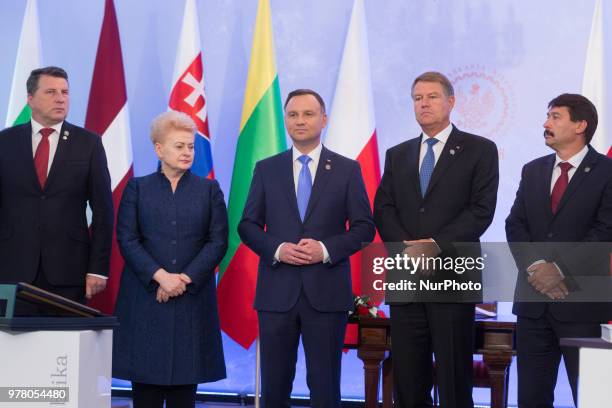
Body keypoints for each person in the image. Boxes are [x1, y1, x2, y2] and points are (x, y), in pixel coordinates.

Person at [238, 89, 375, 407]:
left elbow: (364, 228)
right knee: (274, 387)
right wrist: (278, 249)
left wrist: (325, 249)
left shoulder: (346, 169)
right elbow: (247, 226)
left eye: (308, 114)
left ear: (324, 119)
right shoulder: (266, 168)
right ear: (285, 120)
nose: (300, 120)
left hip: (326, 294)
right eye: (293, 114)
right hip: (276, 293)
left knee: (325, 387)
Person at [374, 71, 499, 407]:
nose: (424, 104)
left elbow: (481, 211)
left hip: (453, 277)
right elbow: (383, 208)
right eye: (417, 98)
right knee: (409, 380)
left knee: (455, 380)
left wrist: (434, 246)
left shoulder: (480, 150)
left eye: (431, 96)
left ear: (451, 102)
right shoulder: (397, 154)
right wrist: (407, 249)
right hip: (406, 278)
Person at [112, 111, 227, 408]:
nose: (187, 152)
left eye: (190, 146)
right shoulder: (138, 188)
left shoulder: (209, 190)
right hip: (146, 299)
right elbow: (127, 238)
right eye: (179, 146)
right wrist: (160, 276)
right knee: (146, 393)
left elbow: (218, 241)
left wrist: (184, 279)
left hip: (191, 301)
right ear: (159, 149)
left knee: (183, 394)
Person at [506, 93, 612, 408]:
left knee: (596, 398)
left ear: (580, 125)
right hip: (533, 306)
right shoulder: (532, 170)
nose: (545, 123)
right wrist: (538, 267)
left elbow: (606, 231)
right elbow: (515, 225)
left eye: (555, 117)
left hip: (586, 306)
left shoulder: (607, 171)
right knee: (531, 399)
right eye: (547, 116)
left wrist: (560, 270)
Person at [0, 66, 113, 304]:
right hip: (11, 268)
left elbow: (103, 211)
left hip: (69, 270)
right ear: (30, 99)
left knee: (64, 340)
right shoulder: (5, 142)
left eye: (65, 92)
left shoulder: (88, 143)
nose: (60, 98)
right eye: (51, 92)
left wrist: (98, 268)